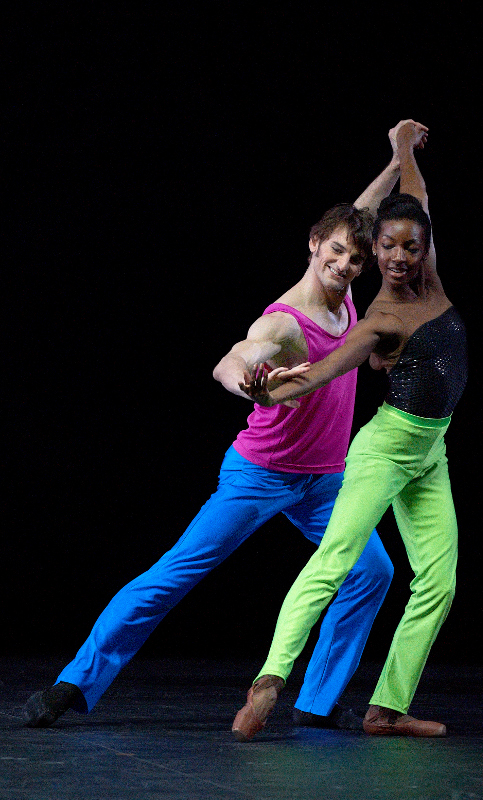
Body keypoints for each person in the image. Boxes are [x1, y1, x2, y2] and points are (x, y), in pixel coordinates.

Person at [23, 120, 428, 730]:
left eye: (356, 257)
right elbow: (235, 356)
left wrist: (399, 157)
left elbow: (361, 215)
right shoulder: (287, 320)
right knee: (173, 575)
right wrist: (246, 380)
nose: (345, 265)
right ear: (312, 246)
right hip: (260, 475)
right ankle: (74, 682)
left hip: (324, 481)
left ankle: (316, 701)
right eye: (335, 252)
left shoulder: (347, 293)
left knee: (371, 571)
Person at [232, 119, 467, 741]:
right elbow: (308, 379)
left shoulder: (430, 278)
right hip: (385, 450)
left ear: (422, 248)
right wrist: (261, 384)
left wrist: (403, 150)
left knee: (438, 580)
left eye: (409, 246)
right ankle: (269, 681)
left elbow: (416, 202)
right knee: (335, 561)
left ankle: (386, 708)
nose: (397, 257)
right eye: (386, 248)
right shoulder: (379, 319)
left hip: (430, 452)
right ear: (377, 254)